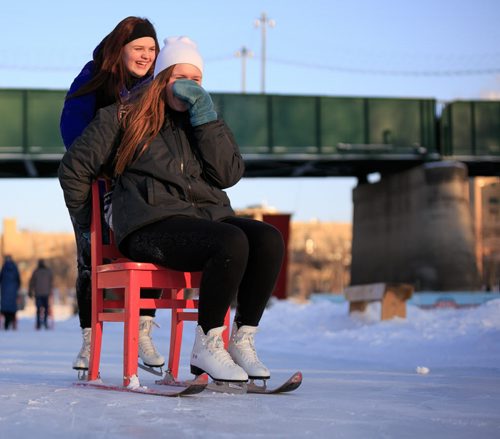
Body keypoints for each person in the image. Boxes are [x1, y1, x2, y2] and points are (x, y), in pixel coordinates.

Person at [58, 36, 285, 383]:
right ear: (162, 78)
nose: (190, 89)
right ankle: (208, 344)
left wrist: (206, 120)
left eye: (197, 81)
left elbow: (229, 174)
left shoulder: (200, 123)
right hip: (150, 223)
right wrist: (92, 224)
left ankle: (241, 340)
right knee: (231, 241)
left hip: (204, 219)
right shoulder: (123, 117)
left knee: (268, 239)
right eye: (181, 78)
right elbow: (74, 169)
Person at [59, 16, 163, 372]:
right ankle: (90, 340)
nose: (146, 55)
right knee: (91, 258)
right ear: (121, 49)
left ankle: (144, 331)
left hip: (138, 186)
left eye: (151, 49)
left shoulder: (157, 86)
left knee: (153, 244)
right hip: (96, 182)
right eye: (139, 48)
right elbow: (72, 128)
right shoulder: (94, 77)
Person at [29, 259, 54, 330]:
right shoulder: (48, 271)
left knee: (38, 309)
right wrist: (50, 290)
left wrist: (30, 291)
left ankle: (38, 324)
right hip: (46, 293)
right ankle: (45, 323)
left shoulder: (36, 272)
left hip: (38, 293)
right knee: (46, 308)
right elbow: (51, 282)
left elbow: (31, 282)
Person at [0, 255, 21, 330]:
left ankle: (6, 324)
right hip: (13, 290)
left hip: (5, 290)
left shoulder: (4, 267)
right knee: (12, 307)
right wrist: (17, 287)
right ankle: (13, 323)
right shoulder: (14, 267)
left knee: (5, 307)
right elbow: (18, 279)